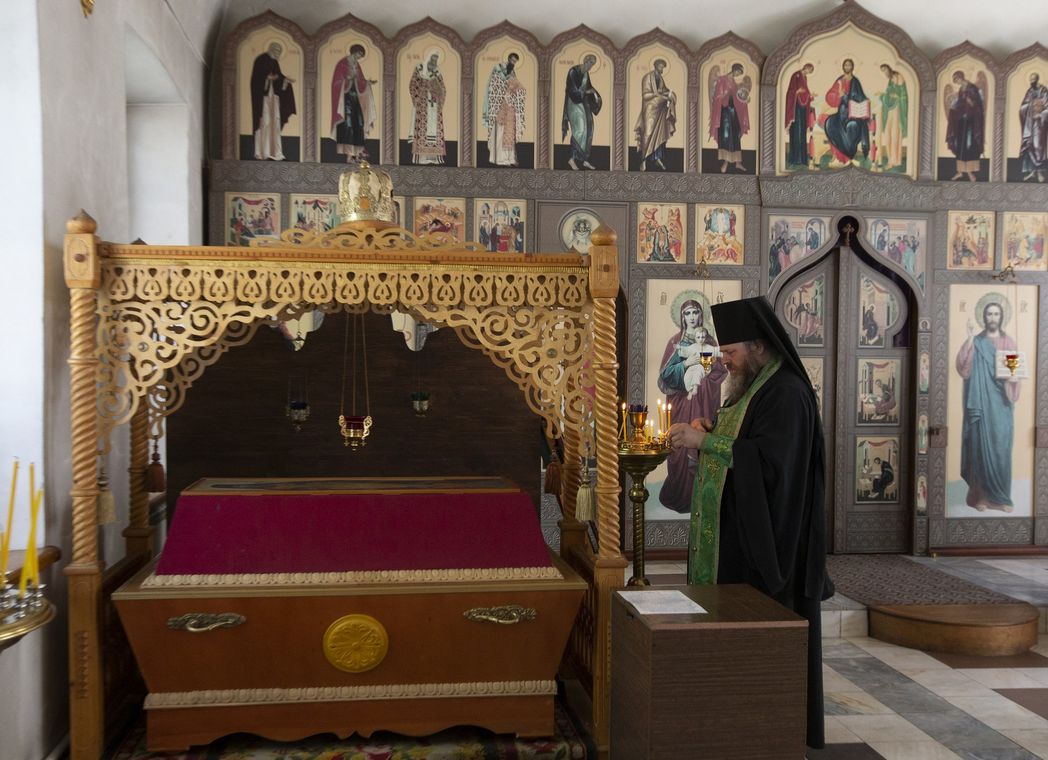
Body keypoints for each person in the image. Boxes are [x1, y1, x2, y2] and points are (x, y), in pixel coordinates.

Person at [666, 296, 832, 750]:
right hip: (742, 534)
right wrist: (714, 431)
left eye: (731, 352)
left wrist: (705, 442)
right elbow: (747, 442)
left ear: (758, 346)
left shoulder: (787, 392)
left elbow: (774, 464)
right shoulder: (757, 385)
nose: (725, 360)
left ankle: (766, 730)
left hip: (772, 546)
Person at [657, 301, 726, 513]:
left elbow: (720, 371)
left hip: (704, 405)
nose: (692, 317)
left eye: (696, 312)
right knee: (679, 450)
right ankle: (679, 494)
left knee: (702, 446)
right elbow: (665, 377)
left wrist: (706, 379)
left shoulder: (710, 341)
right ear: (682, 316)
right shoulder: (675, 342)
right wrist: (686, 364)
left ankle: (703, 497)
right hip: (681, 404)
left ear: (701, 315)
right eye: (688, 313)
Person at [955, 301, 1020, 512]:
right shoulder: (977, 341)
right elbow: (963, 370)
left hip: (1001, 405)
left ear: (1001, 317)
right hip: (980, 404)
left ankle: (1002, 499)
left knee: (1001, 449)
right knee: (980, 449)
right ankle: (981, 498)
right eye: (989, 314)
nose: (992, 318)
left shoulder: (1008, 342)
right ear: (984, 317)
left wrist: (1012, 379)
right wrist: (969, 338)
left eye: (996, 314)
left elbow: (1014, 373)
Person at [250, 42, 296, 161]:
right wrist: (266, 79)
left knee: (275, 124)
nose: (278, 54)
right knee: (265, 123)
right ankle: (263, 152)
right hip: (263, 99)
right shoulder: (260, 60)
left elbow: (278, 78)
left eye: (279, 52)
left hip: (273, 99)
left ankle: (276, 153)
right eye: (277, 51)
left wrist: (285, 81)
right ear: (271, 49)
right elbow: (256, 79)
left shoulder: (275, 62)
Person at [330, 44, 377, 162]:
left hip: (355, 98)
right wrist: (348, 79)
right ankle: (349, 154)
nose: (359, 57)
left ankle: (357, 152)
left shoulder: (356, 65)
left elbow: (360, 81)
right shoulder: (342, 64)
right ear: (354, 52)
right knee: (348, 124)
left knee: (359, 122)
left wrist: (367, 83)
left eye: (361, 56)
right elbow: (336, 82)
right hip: (345, 100)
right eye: (359, 54)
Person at [821, 58, 870, 166]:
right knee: (831, 124)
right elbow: (830, 95)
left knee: (853, 126)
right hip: (842, 112)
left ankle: (850, 157)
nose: (847, 67)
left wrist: (864, 100)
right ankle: (839, 158)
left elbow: (860, 97)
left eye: (849, 65)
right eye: (846, 65)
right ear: (843, 67)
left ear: (852, 67)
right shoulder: (840, 80)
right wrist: (838, 95)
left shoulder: (855, 82)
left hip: (854, 113)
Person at [484, 53, 526, 166]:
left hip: (510, 107)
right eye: (512, 60)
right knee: (499, 132)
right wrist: (505, 90)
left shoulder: (512, 72)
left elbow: (516, 85)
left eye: (515, 62)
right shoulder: (498, 68)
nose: (513, 63)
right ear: (508, 59)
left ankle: (509, 158)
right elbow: (494, 85)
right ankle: (498, 159)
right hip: (500, 105)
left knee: (509, 133)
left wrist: (515, 91)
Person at [634, 59, 676, 171]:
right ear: (656, 66)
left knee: (659, 133)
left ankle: (657, 158)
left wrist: (670, 94)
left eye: (663, 67)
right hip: (649, 110)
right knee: (647, 134)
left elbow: (664, 90)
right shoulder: (647, 78)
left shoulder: (660, 79)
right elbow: (645, 95)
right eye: (661, 66)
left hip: (659, 109)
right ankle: (643, 160)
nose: (662, 69)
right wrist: (658, 95)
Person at [562, 54, 602, 170]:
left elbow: (589, 87)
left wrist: (595, 96)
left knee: (588, 129)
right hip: (574, 103)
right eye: (589, 63)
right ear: (585, 61)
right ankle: (571, 159)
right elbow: (572, 90)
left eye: (592, 65)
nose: (590, 66)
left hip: (583, 104)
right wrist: (586, 92)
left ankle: (584, 159)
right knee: (579, 129)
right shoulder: (573, 71)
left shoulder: (586, 74)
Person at [710, 63, 750, 173]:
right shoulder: (722, 80)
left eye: (740, 73)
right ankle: (726, 162)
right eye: (738, 72)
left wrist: (744, 100)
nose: (738, 75)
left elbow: (738, 98)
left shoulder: (734, 83)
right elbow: (717, 97)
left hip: (734, 113)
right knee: (726, 136)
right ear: (734, 70)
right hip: (725, 113)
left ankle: (738, 163)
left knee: (736, 135)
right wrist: (725, 94)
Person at [946, 70, 985, 182]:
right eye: (955, 81)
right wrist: (953, 108)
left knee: (969, 146)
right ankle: (959, 172)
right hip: (961, 121)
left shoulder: (972, 88)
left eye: (956, 80)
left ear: (961, 77)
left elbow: (978, 105)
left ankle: (970, 172)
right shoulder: (961, 89)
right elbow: (960, 103)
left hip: (971, 122)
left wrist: (970, 102)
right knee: (960, 146)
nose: (956, 82)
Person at [409, 51, 447, 164]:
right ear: (429, 58)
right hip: (422, 105)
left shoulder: (437, 72)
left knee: (434, 130)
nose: (434, 61)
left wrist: (438, 92)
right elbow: (413, 85)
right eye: (433, 58)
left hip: (434, 106)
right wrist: (418, 96)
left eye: (436, 59)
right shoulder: (419, 69)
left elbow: (443, 89)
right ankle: (421, 158)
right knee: (422, 129)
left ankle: (433, 157)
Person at [784, 63, 816, 168]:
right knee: (796, 131)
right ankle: (795, 159)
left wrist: (810, 96)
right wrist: (797, 92)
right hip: (795, 108)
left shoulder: (805, 78)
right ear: (806, 67)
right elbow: (790, 92)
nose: (808, 72)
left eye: (810, 71)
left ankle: (802, 159)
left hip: (802, 109)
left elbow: (805, 95)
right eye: (808, 69)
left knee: (802, 132)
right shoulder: (796, 75)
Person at [877, 64, 908, 170]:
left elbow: (903, 94)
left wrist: (896, 97)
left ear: (889, 68)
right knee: (887, 133)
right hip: (890, 109)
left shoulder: (898, 76)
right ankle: (891, 158)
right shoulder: (890, 80)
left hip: (897, 108)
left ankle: (894, 161)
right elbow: (888, 94)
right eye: (882, 71)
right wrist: (882, 95)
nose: (884, 73)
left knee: (895, 134)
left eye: (885, 70)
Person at [1019, 72, 1048, 182]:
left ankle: (1040, 172)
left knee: (1038, 147)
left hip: (1040, 124)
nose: (1031, 82)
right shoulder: (1029, 91)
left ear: (1037, 79)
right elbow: (1023, 107)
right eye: (1030, 80)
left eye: (1033, 80)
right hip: (1029, 124)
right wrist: (1030, 107)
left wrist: (1040, 115)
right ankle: (1032, 172)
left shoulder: (1044, 91)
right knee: (1029, 145)